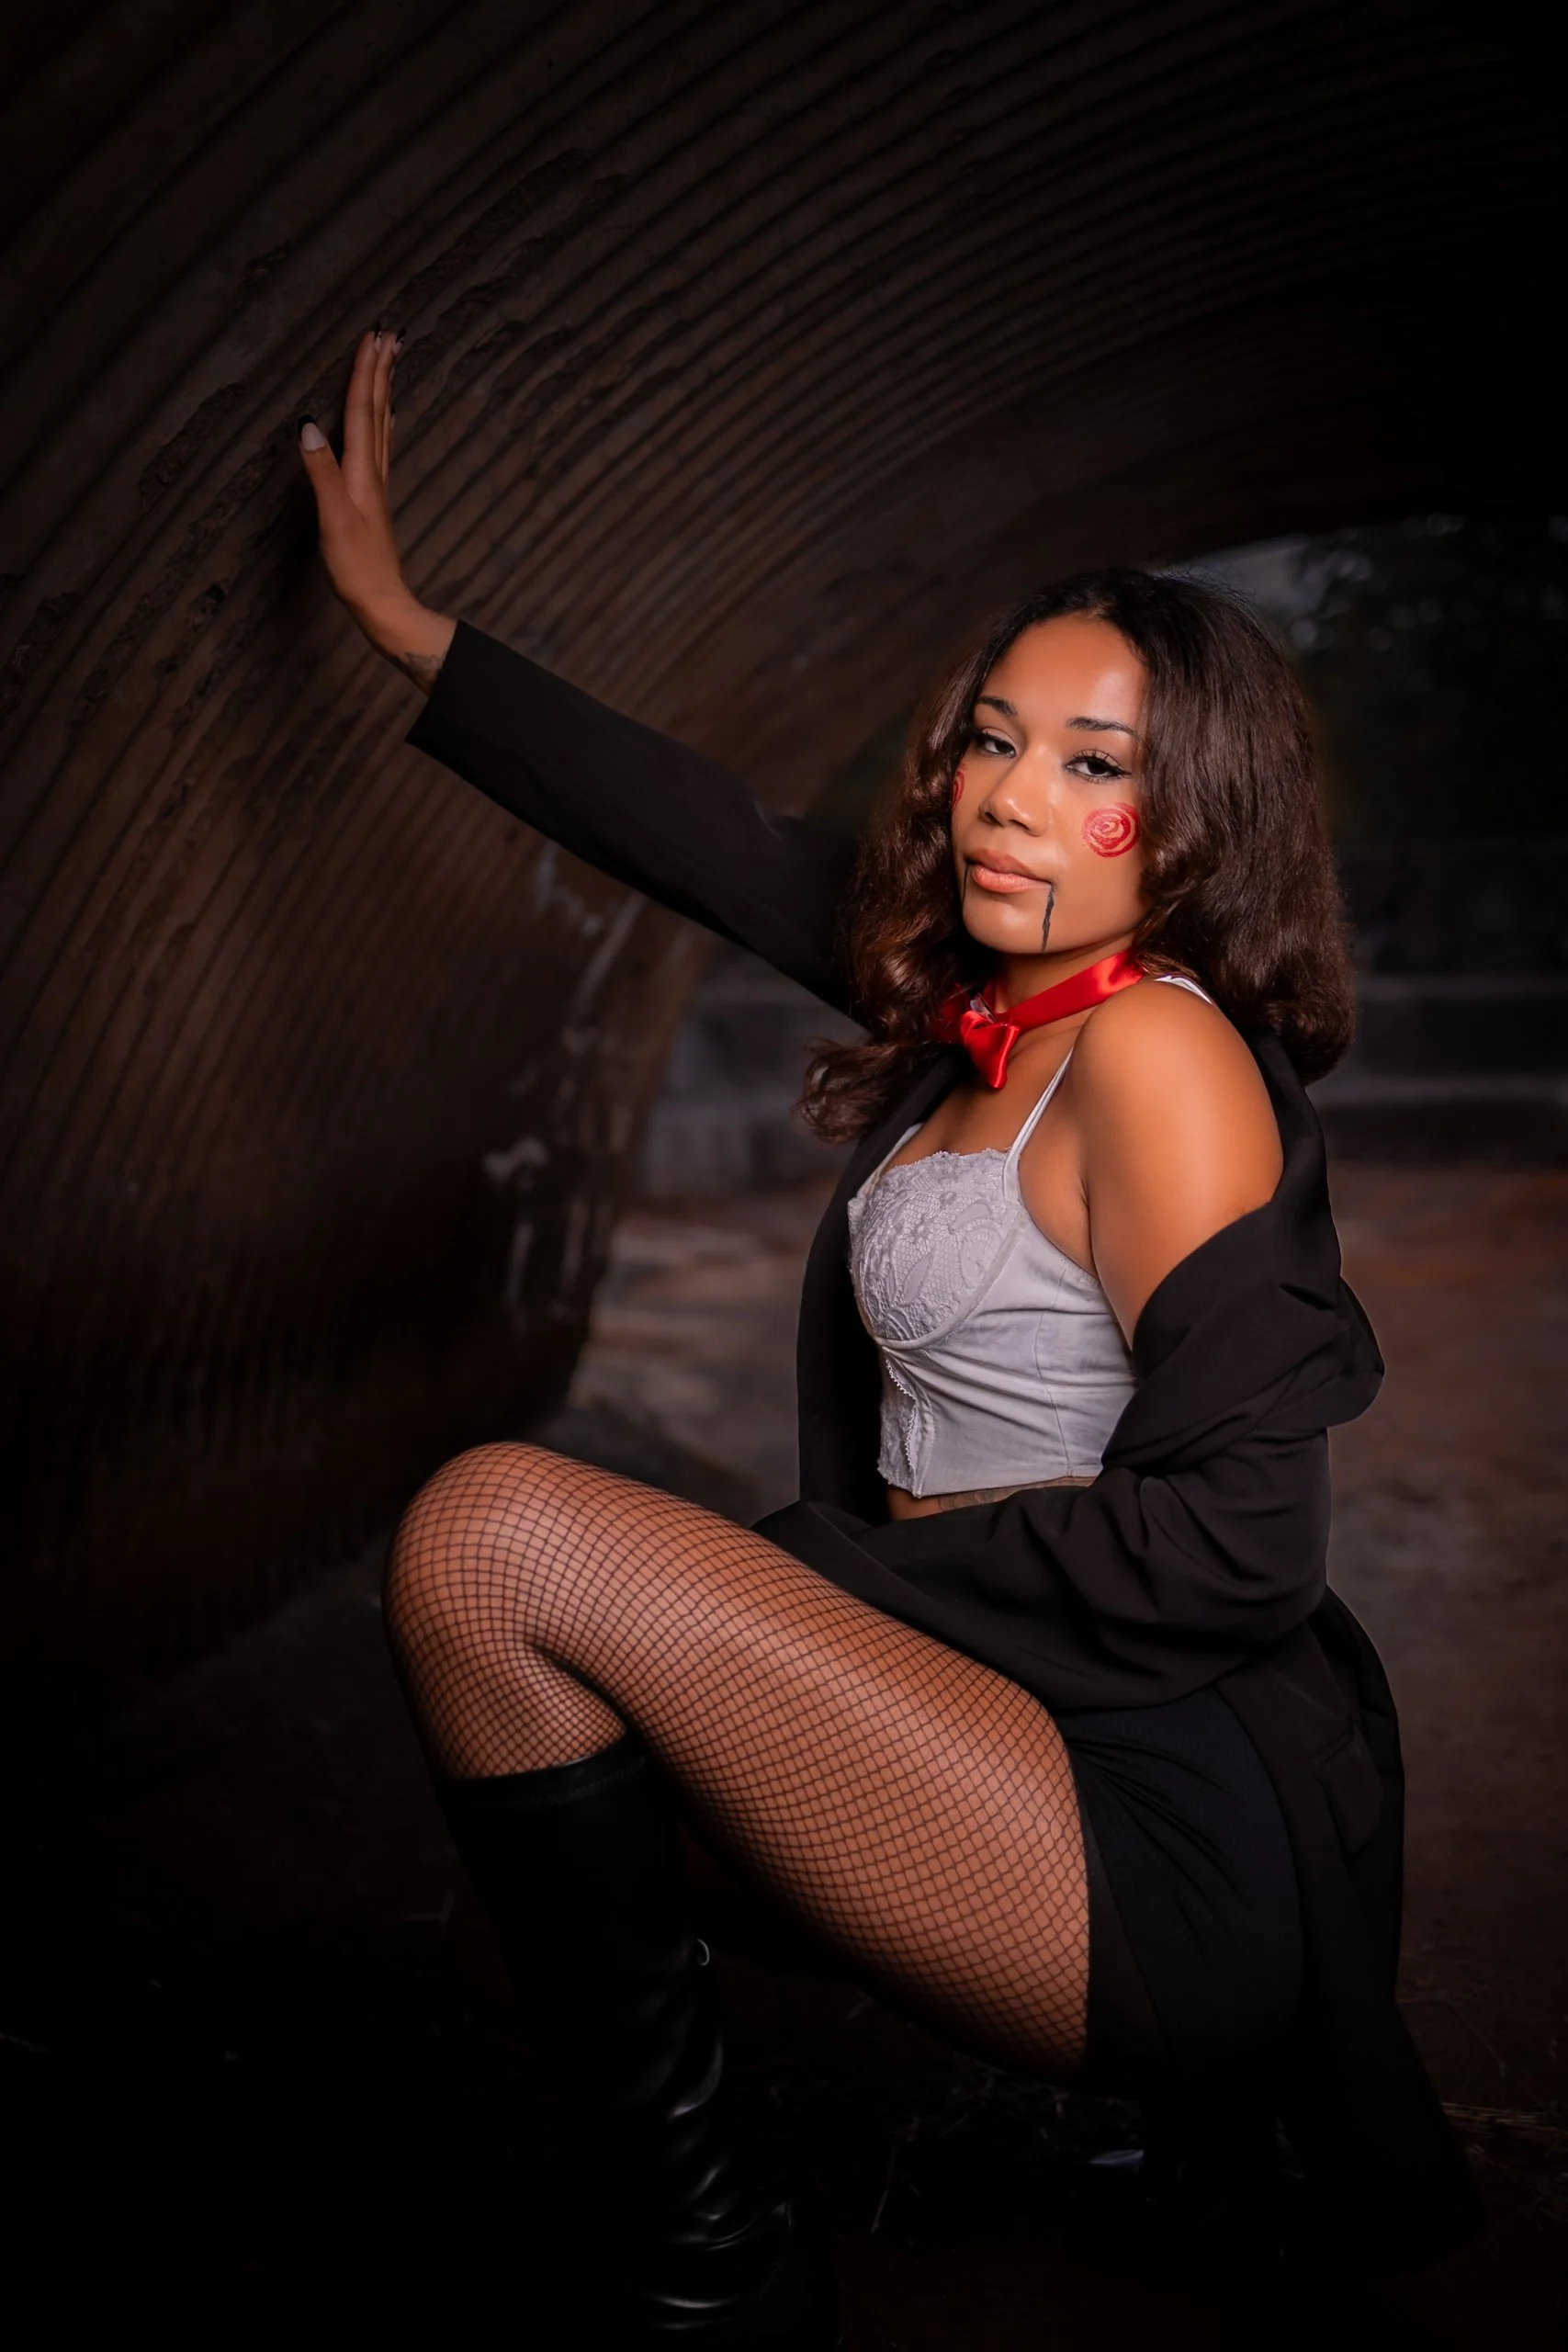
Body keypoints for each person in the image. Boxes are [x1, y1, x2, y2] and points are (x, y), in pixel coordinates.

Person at [298, 331, 1480, 2346]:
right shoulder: (987, 1006)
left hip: (1153, 1821)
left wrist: (844, 1577)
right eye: (992, 737)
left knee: (496, 1535)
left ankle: (713, 2276)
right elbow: (712, 835)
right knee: (572, 1739)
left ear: (1189, 822)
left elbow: (1237, 1548)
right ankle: (964, 2202)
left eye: (1094, 763)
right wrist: (417, 634)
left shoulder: (1157, 1051)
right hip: (1002, 1720)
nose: (1010, 796)